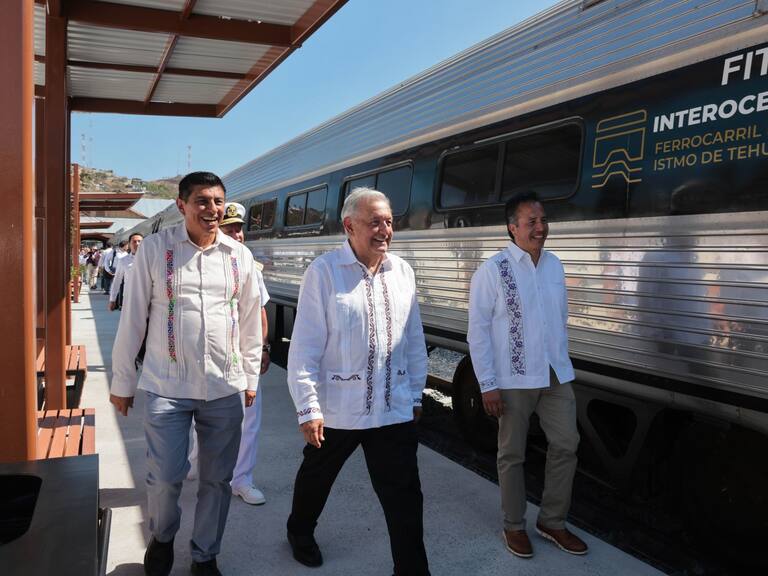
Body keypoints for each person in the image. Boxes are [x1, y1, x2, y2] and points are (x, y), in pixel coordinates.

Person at [110, 171, 263, 576]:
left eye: (217, 201)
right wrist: (122, 382)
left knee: (217, 480)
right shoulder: (156, 250)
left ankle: (204, 555)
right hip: (166, 386)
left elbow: (249, 322)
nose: (211, 210)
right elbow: (133, 320)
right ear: (181, 206)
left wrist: (251, 378)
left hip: (223, 386)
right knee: (165, 477)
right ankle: (162, 537)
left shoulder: (239, 256)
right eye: (202, 201)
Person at [286, 187, 430, 575]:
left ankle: (412, 569)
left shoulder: (402, 271)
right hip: (338, 408)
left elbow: (413, 337)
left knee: (404, 496)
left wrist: (416, 392)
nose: (384, 230)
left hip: (392, 408)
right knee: (317, 478)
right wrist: (309, 407)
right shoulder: (324, 272)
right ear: (350, 226)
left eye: (388, 221)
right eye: (374, 222)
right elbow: (305, 346)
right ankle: (300, 532)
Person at [467, 191, 587, 559]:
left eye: (543, 220)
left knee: (567, 444)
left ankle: (551, 520)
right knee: (512, 453)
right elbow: (478, 330)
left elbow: (560, 319)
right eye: (531, 221)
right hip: (514, 377)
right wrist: (488, 384)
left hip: (554, 372)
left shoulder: (554, 265)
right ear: (512, 227)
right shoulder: (493, 270)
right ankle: (514, 525)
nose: (540, 227)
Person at [187, 202, 272, 505]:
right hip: (208, 356)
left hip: (242, 357)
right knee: (202, 414)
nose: (237, 233)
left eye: (240, 228)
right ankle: (197, 461)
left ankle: (242, 479)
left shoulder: (250, 266)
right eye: (230, 228)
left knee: (248, 419)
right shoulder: (199, 264)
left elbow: (260, 312)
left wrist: (262, 348)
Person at [109, 234, 143, 312]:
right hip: (130, 298)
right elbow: (117, 280)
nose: (137, 244)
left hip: (147, 298)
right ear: (129, 244)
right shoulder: (123, 261)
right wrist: (112, 299)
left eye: (139, 241)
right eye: (134, 242)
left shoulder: (150, 259)